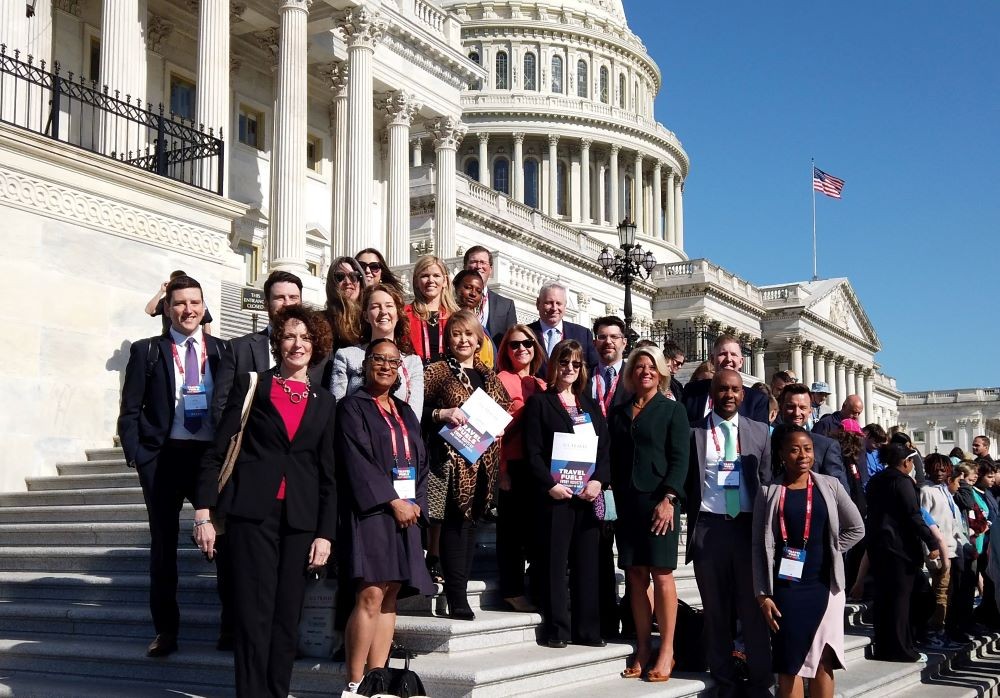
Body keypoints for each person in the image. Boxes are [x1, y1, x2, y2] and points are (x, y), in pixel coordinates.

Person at [193, 305, 337, 697]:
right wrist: (203, 514)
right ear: (277, 342)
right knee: (254, 615)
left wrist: (325, 533)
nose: (298, 344)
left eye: (306, 338)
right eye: (290, 336)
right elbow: (216, 451)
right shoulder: (252, 385)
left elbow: (328, 474)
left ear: (317, 345)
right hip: (251, 514)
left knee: (287, 616)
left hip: (300, 519)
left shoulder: (324, 401)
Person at [118, 275, 227, 657]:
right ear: (168, 308)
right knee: (163, 548)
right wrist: (139, 456)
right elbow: (129, 409)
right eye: (180, 303)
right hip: (162, 459)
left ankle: (229, 625)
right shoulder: (148, 350)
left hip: (208, 460)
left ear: (203, 305)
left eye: (195, 302)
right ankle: (166, 630)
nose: (188, 310)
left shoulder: (222, 351)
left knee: (223, 542)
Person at [210, 269, 306, 650]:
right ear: (267, 304)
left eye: (293, 298)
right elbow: (222, 407)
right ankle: (231, 624)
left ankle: (282, 633)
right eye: (280, 298)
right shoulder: (240, 348)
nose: (286, 304)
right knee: (233, 554)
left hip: (291, 472)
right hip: (246, 467)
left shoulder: (310, 351)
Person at [335, 338, 435, 691]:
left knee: (392, 591)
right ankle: (354, 682)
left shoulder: (405, 411)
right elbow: (357, 461)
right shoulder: (352, 408)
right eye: (379, 359)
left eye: (394, 363)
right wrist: (393, 501)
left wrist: (417, 502)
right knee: (371, 593)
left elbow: (420, 460)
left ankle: (377, 679)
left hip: (407, 510)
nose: (386, 367)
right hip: (374, 511)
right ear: (366, 364)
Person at [753, 426, 864, 698]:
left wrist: (832, 550)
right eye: (794, 449)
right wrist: (762, 594)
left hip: (826, 586)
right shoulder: (768, 493)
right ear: (781, 454)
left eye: (808, 449)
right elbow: (758, 546)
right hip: (787, 588)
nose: (803, 455)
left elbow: (857, 528)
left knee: (825, 659)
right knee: (790, 663)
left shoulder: (830, 485)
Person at [684, 368, 773, 698]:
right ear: (712, 393)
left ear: (743, 394)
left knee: (753, 611)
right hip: (709, 529)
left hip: (747, 529)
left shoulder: (761, 432)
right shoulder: (694, 432)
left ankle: (761, 682)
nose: (729, 395)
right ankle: (724, 681)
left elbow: (766, 483)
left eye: (735, 389)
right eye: (723, 389)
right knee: (716, 613)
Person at [608, 345, 689, 681]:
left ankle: (667, 649)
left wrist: (669, 498)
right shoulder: (619, 412)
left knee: (662, 573)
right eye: (639, 366)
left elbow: (680, 458)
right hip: (628, 502)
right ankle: (643, 647)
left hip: (660, 502)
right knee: (635, 576)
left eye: (651, 367)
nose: (645, 371)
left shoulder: (672, 411)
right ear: (631, 373)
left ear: (661, 372)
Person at [423, 310, 510, 619]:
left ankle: (458, 589)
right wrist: (441, 414)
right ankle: (457, 596)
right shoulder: (436, 371)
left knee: (471, 528)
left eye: (468, 334)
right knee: (454, 528)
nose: (462, 339)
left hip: (482, 464)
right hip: (448, 465)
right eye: (456, 334)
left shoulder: (488, 375)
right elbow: (417, 410)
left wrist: (497, 424)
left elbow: (502, 407)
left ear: (478, 340)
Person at [523, 339, 610, 648]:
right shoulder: (540, 403)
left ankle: (587, 630)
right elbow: (532, 453)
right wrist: (550, 485)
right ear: (554, 366)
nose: (570, 369)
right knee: (554, 565)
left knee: (588, 565)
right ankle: (558, 630)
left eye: (575, 364)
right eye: (564, 362)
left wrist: (598, 481)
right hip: (555, 498)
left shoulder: (590, 406)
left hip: (587, 498)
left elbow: (604, 451)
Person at [864, 442, 942, 661]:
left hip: (879, 546)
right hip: (900, 549)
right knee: (901, 600)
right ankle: (901, 648)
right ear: (906, 462)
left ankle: (884, 646)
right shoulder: (902, 482)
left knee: (884, 599)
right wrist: (931, 542)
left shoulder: (875, 481)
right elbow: (913, 515)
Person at [495, 325, 546, 612]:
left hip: (538, 467)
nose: (521, 349)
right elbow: (493, 430)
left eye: (527, 343)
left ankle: (533, 584)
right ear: (506, 350)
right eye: (514, 345)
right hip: (512, 463)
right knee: (511, 532)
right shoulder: (499, 380)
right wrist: (501, 470)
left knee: (535, 530)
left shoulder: (541, 384)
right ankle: (512, 590)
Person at [587, 316, 632, 638]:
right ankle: (604, 619)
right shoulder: (586, 379)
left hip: (627, 481)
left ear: (624, 342)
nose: (608, 342)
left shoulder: (635, 379)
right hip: (593, 480)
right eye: (602, 337)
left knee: (630, 556)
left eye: (614, 337)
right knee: (599, 550)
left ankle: (632, 619)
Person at [331, 283, 424, 417]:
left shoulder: (412, 362)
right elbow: (337, 407)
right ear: (365, 316)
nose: (383, 311)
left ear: (398, 313)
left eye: (389, 306)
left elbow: (414, 417)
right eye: (375, 307)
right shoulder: (346, 356)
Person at [919, 454, 962, 648]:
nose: (939, 473)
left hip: (951, 547)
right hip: (937, 550)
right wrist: (931, 547)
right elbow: (924, 520)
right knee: (940, 592)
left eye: (943, 469)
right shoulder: (926, 491)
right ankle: (934, 630)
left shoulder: (944, 490)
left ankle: (941, 629)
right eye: (935, 469)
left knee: (947, 591)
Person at [774, 384, 849, 491]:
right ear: (781, 408)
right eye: (791, 407)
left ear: (810, 410)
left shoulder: (825, 446)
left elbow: (839, 491)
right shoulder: (768, 442)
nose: (797, 413)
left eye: (802, 407)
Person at [681, 334, 769, 424]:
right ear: (712, 359)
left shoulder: (757, 400)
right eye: (723, 354)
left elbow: (760, 436)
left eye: (733, 354)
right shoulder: (692, 392)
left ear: (741, 361)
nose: (728, 359)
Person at [527, 281, 599, 376]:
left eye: (559, 303)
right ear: (538, 304)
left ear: (565, 305)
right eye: (548, 303)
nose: (554, 308)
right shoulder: (526, 333)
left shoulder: (582, 334)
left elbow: (592, 370)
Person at [404, 255, 459, 365]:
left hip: (449, 377)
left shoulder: (456, 316)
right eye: (425, 276)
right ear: (416, 282)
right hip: (416, 376)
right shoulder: (404, 315)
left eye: (436, 276)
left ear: (445, 281)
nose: (431, 280)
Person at [320, 256, 366, 389]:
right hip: (327, 389)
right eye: (340, 277)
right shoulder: (320, 320)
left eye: (354, 276)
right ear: (331, 283)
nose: (348, 282)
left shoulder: (369, 319)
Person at [464, 245, 518, 345]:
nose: (478, 266)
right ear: (465, 267)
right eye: (473, 262)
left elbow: (511, 341)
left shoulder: (506, 306)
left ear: (490, 269)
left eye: (483, 262)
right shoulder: (452, 299)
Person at [145, 269, 213, 335]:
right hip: (169, 341)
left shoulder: (196, 301)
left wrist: (207, 342)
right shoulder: (167, 300)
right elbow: (149, 310)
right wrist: (161, 291)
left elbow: (206, 322)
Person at [452, 269, 496, 367]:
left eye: (479, 291)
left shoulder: (482, 330)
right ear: (456, 287)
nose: (473, 293)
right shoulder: (447, 321)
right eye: (468, 287)